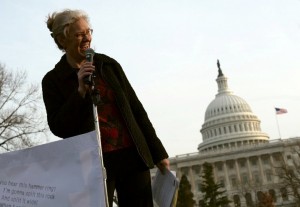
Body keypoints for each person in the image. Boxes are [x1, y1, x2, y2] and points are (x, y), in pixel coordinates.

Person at [42, 9, 169, 207]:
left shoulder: (108, 65)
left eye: (88, 32)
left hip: (132, 155)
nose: (87, 38)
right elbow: (58, 127)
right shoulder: (52, 80)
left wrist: (158, 152)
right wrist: (80, 92)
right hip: (92, 163)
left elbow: (136, 109)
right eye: (79, 34)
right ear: (62, 39)